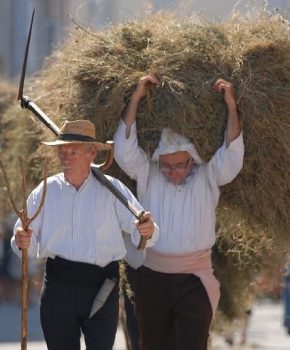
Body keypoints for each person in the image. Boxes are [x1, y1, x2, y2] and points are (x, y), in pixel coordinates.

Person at [113, 75, 244, 350]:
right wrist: (136, 98)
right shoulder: (148, 173)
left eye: (180, 166)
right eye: (167, 166)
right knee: (152, 345)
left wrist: (231, 106)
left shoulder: (207, 176)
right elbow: (125, 151)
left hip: (195, 280)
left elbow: (231, 153)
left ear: (192, 160)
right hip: (152, 278)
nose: (172, 172)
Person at [11, 119, 159, 350]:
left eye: (73, 152)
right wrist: (21, 240)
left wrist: (147, 229)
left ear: (92, 153)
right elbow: (22, 236)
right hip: (58, 287)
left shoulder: (113, 190)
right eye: (62, 151)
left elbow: (142, 226)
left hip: (102, 287)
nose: (66, 158)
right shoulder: (46, 190)